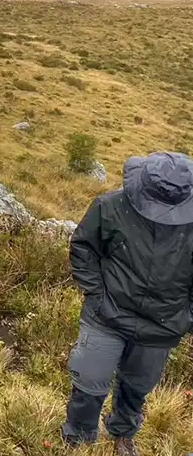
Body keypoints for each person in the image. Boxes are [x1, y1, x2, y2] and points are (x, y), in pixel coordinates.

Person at [61, 153, 193, 456]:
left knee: (136, 388)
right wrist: (97, 294)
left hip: (162, 327)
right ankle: (78, 438)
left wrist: (187, 318)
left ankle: (123, 435)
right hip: (107, 315)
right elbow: (83, 248)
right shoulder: (109, 206)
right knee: (89, 378)